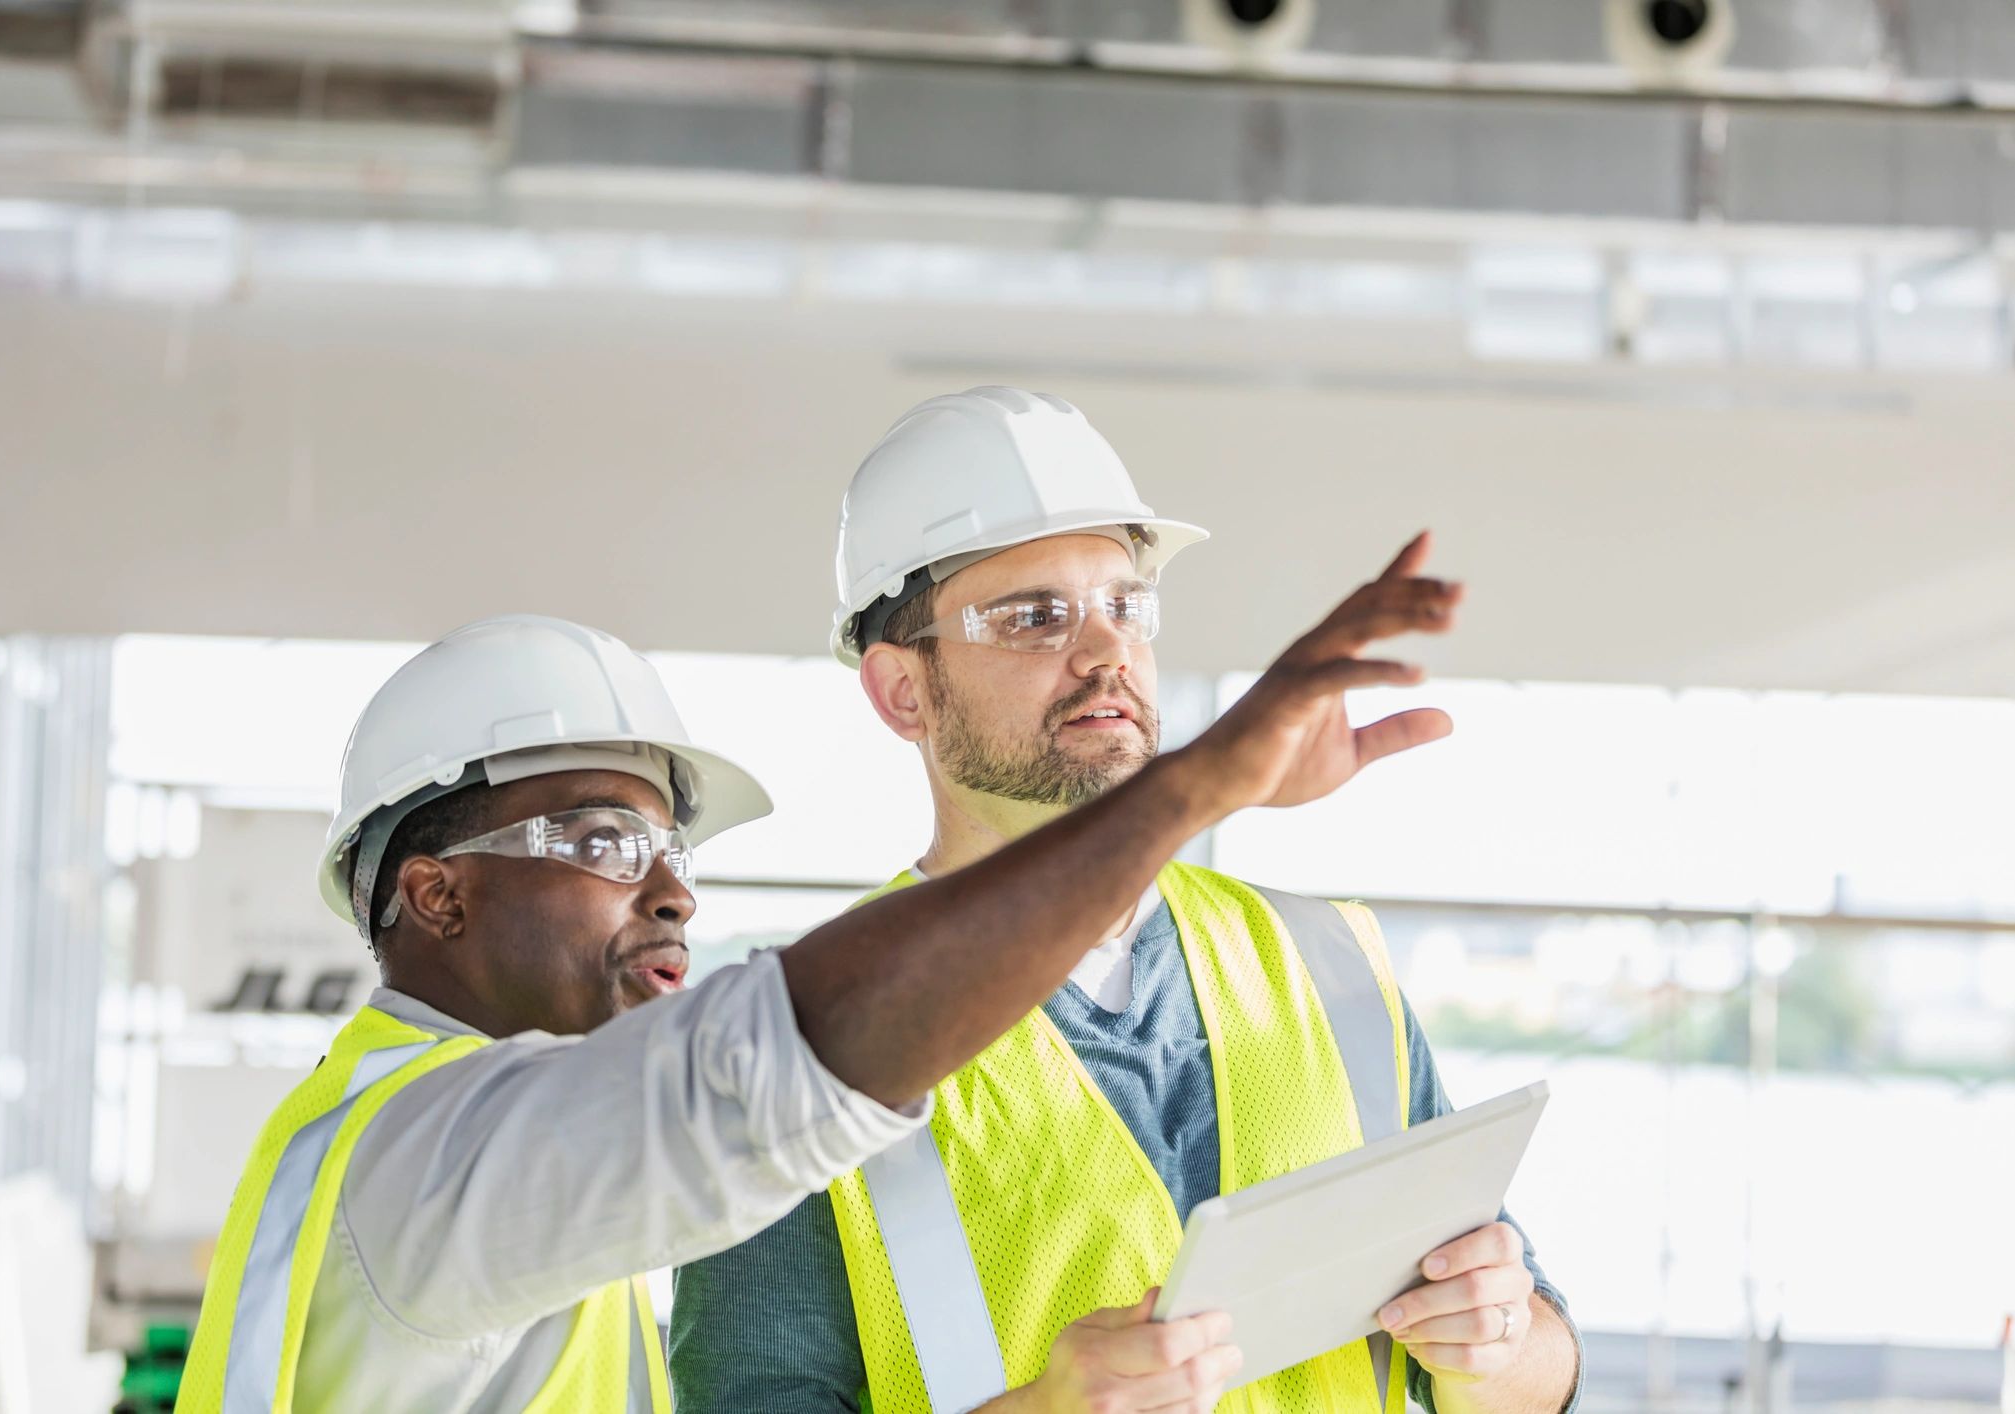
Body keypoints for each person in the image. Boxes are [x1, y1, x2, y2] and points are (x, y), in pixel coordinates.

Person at [179, 596, 1450, 1413]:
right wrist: (1183, 793)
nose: (672, 892)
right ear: (438, 896)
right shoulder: (434, 1156)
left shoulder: (442, 1138)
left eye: (676, 850)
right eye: (609, 839)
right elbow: (765, 1069)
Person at [669, 388, 1582, 1414]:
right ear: (903, 691)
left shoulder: (1325, 962)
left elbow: (1538, 1368)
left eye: (1124, 604)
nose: (1103, 650)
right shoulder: (802, 1043)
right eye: (1034, 617)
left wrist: (1491, 1343)